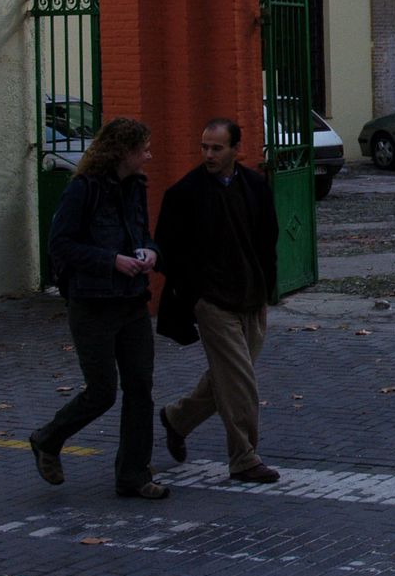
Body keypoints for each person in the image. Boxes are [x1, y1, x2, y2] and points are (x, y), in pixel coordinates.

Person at [29, 116, 167, 500]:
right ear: (123, 152)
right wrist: (112, 261)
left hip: (131, 301)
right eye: (143, 150)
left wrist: (148, 253)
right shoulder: (83, 190)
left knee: (140, 386)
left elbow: (144, 234)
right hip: (92, 304)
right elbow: (61, 245)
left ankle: (133, 474)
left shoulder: (135, 187)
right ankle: (47, 439)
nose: (149, 156)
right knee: (103, 390)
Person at [155, 118, 281, 483]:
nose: (208, 154)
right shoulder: (185, 194)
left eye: (217, 148)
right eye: (204, 147)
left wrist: (266, 291)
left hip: (251, 297)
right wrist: (194, 295)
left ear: (235, 150)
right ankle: (244, 458)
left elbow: (267, 241)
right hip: (213, 302)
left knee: (229, 377)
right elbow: (168, 249)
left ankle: (177, 418)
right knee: (240, 380)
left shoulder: (255, 187)